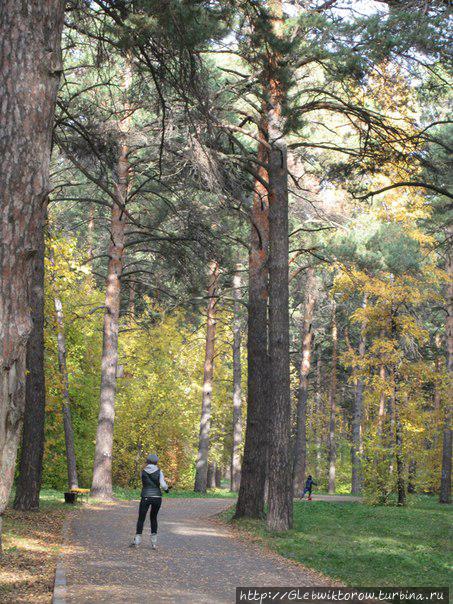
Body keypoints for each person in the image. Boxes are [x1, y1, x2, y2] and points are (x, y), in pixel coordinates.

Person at [130, 453, 170, 549]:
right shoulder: (160, 471)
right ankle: (154, 542)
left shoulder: (143, 471)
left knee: (141, 518)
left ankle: (137, 541)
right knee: (153, 518)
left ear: (147, 461)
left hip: (145, 496)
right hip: (157, 497)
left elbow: (145, 482)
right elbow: (163, 485)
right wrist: (167, 490)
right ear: (156, 461)